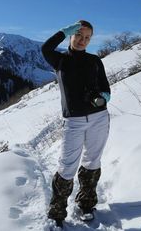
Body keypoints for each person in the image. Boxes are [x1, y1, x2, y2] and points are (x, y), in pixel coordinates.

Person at [41, 20, 111, 227]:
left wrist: (104, 96)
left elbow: (105, 86)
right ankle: (57, 212)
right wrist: (63, 31)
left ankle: (86, 203)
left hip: (99, 117)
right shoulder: (60, 60)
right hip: (74, 121)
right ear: (71, 36)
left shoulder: (95, 60)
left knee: (92, 161)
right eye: (79, 35)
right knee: (67, 166)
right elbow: (45, 48)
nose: (83, 40)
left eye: (87, 37)